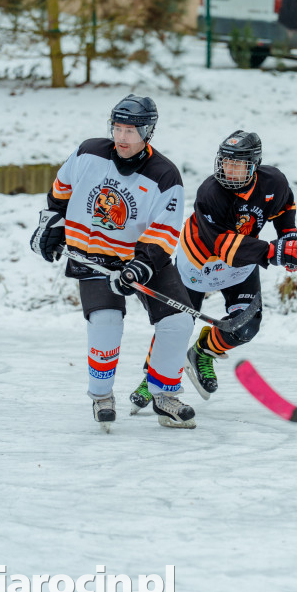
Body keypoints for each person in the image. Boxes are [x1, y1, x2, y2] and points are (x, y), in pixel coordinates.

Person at [30, 94, 196, 429]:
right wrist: (50, 223)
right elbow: (60, 192)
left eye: (131, 131)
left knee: (179, 323)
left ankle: (164, 396)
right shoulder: (89, 152)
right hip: (93, 257)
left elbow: (163, 234)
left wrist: (140, 266)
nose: (121, 137)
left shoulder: (165, 176)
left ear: (147, 132)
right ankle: (102, 396)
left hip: (143, 259)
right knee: (105, 321)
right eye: (118, 128)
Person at [129, 129, 297, 409]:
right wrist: (274, 252)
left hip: (242, 262)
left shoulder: (273, 181)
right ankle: (152, 378)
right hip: (200, 262)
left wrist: (290, 238)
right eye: (226, 162)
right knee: (177, 325)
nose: (229, 169)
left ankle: (202, 352)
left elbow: (285, 206)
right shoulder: (210, 192)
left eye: (237, 164)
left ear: (254, 165)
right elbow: (223, 244)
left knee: (246, 327)